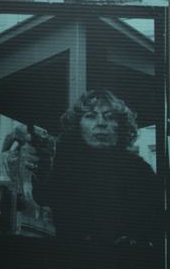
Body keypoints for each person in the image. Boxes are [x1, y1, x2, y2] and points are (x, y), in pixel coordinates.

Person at [36, 89, 160, 249]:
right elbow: (40, 197)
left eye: (110, 117)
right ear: (77, 126)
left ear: (121, 127)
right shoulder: (59, 164)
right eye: (90, 116)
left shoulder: (141, 171)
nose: (101, 123)